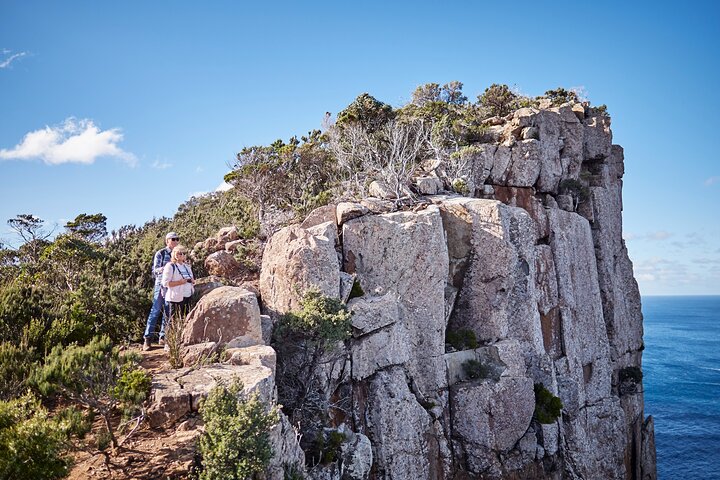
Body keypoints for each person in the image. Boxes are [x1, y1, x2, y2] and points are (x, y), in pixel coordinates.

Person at [142, 232, 179, 351]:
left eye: (177, 239)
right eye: (173, 239)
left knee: (168, 311)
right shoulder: (161, 253)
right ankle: (147, 339)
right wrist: (167, 267)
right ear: (167, 240)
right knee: (156, 310)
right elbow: (155, 270)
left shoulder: (178, 254)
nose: (175, 241)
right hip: (161, 284)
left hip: (172, 286)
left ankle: (163, 337)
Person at [161, 245, 195, 343]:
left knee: (184, 319)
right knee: (172, 321)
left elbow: (191, 279)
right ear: (174, 255)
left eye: (184, 253)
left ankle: (180, 341)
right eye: (179, 253)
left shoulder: (187, 267)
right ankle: (169, 343)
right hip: (174, 298)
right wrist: (180, 282)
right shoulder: (170, 266)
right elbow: (165, 283)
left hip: (187, 295)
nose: (182, 255)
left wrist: (192, 281)